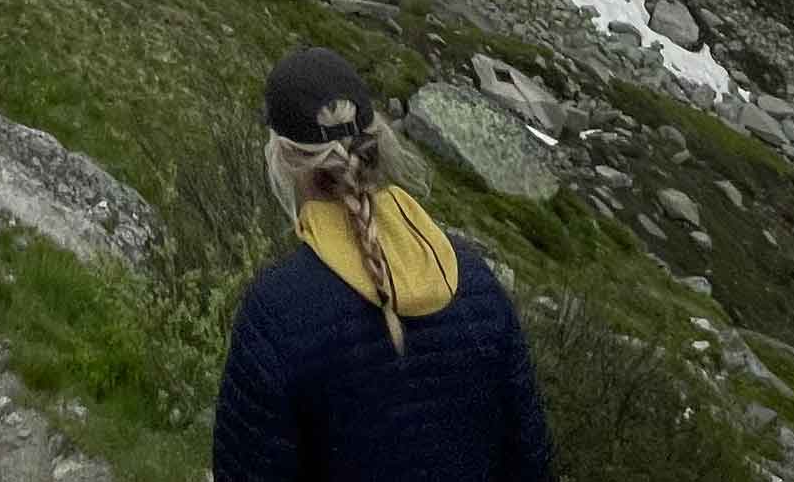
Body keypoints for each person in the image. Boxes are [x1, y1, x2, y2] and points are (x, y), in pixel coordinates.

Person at [212, 48, 554, 481]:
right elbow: (530, 464)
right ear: (378, 142)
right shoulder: (477, 285)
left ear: (283, 159)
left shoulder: (277, 312)